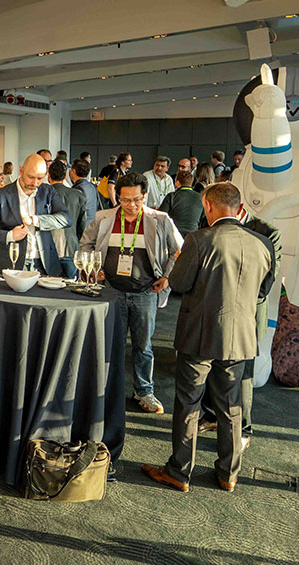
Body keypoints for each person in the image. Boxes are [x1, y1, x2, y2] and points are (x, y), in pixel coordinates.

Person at [142, 183, 273, 493]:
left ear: (209, 206)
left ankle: (179, 471)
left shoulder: (199, 240)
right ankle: (228, 474)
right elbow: (263, 291)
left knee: (189, 402)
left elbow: (179, 282)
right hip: (241, 335)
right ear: (239, 208)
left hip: (199, 334)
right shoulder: (263, 243)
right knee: (231, 405)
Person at [79, 172, 183, 415]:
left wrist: (168, 277)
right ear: (118, 197)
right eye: (125, 200)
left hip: (145, 292)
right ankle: (106, 391)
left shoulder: (160, 219)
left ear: (144, 196)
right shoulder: (104, 217)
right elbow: (85, 244)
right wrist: (92, 267)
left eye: (137, 199)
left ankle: (144, 391)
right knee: (109, 344)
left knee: (143, 346)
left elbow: (178, 250)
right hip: (111, 291)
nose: (131, 205)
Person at [198, 206, 280, 448]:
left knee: (242, 375)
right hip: (213, 310)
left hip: (247, 314)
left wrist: (230, 295)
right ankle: (211, 415)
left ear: (239, 207)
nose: (211, 214)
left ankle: (243, 428)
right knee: (211, 364)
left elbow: (266, 283)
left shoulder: (267, 232)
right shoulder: (209, 222)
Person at [0, 153, 72, 275]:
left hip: (44, 264)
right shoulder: (1, 195)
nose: (35, 183)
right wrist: (10, 236)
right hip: (11, 263)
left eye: (40, 178)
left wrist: (35, 220)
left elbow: (66, 219)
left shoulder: (48, 191)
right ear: (21, 170)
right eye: (31, 177)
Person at [48, 160, 86, 278]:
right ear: (65, 176)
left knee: (48, 284)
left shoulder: (43, 194)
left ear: (49, 176)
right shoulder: (78, 195)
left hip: (48, 248)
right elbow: (82, 224)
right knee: (72, 284)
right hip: (71, 246)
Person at [158, 172, 204, 237]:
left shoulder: (171, 196)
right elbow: (203, 218)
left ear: (177, 182)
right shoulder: (201, 198)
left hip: (173, 235)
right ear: (191, 182)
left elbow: (161, 215)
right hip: (193, 235)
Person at [69, 159, 99, 232]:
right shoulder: (92, 187)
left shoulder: (77, 189)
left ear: (74, 171)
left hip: (81, 229)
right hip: (92, 227)